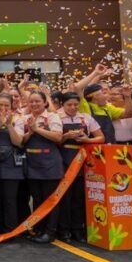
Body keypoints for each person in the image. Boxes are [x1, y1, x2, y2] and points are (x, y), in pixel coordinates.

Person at [56, 91, 104, 242]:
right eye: (69, 105)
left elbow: (101, 137)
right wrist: (65, 136)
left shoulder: (86, 118)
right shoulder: (55, 117)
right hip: (62, 159)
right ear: (62, 104)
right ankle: (63, 230)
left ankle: (78, 229)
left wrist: (87, 139)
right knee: (64, 197)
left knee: (79, 197)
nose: (72, 107)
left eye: (75, 105)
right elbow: (54, 140)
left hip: (82, 160)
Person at [18, 90, 64, 244]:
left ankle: (50, 232)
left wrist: (37, 129)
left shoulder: (52, 117)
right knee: (37, 199)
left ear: (45, 103)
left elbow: (58, 137)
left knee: (49, 199)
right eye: (31, 102)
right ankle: (38, 228)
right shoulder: (24, 118)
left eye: (38, 101)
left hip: (50, 163)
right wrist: (30, 132)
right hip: (31, 163)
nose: (34, 104)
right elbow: (20, 141)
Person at [0, 93, 26, 234]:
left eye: (6, 105)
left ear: (11, 106)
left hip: (12, 165)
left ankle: (11, 230)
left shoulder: (18, 120)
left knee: (10, 199)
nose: (3, 108)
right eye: (0, 105)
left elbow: (18, 142)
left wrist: (8, 125)